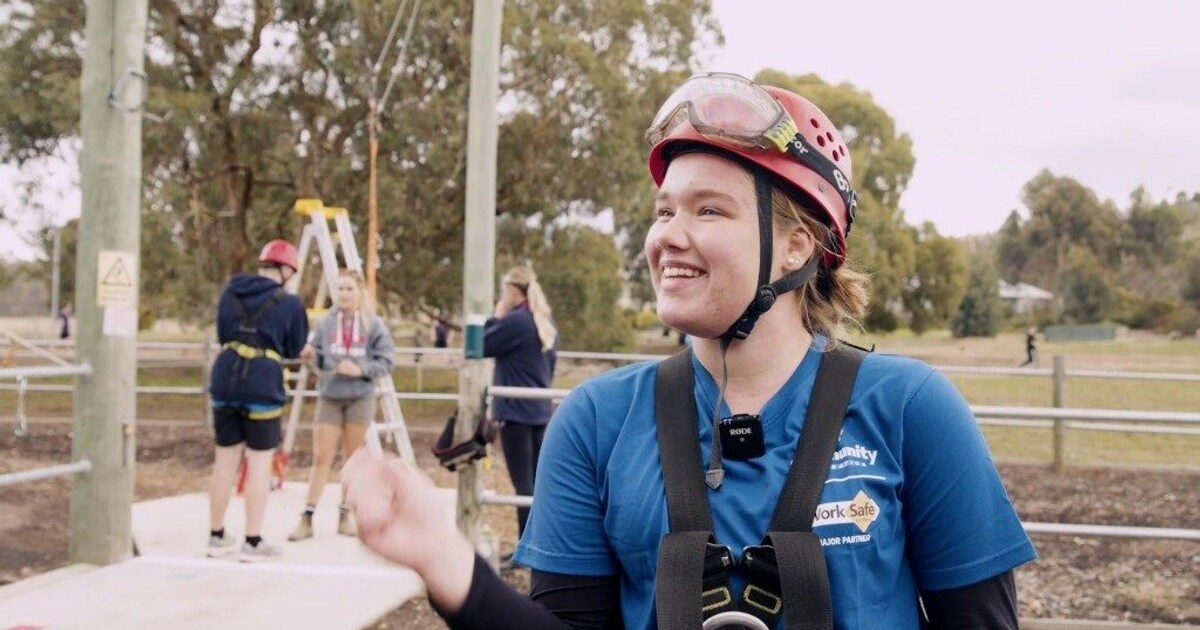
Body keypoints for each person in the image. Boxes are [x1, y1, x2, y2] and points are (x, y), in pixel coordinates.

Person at [343, 73, 1036, 628]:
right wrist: (447, 565)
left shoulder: (911, 410)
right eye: (664, 211)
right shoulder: (595, 422)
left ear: (797, 244)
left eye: (709, 210)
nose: (668, 236)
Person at [207, 239, 308, 562]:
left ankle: (216, 535)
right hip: (263, 381)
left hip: (225, 375)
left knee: (225, 461)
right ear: (287, 271)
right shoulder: (290, 304)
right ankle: (252, 540)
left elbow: (223, 332)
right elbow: (293, 348)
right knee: (259, 463)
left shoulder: (231, 291)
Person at [287, 270, 394, 541]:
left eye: (349, 289)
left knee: (351, 460)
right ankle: (308, 517)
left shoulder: (374, 325)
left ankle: (345, 515)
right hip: (330, 396)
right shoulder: (325, 324)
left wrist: (360, 369)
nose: (344, 294)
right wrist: (310, 357)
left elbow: (385, 361)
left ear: (359, 292)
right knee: (321, 456)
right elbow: (316, 357)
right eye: (340, 289)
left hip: (359, 397)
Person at [484, 265, 557, 545]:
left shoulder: (515, 321)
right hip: (540, 411)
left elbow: (478, 345)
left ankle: (527, 547)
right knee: (538, 484)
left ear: (513, 291)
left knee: (522, 485)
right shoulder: (543, 321)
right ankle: (542, 543)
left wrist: (495, 317)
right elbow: (551, 365)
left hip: (515, 413)